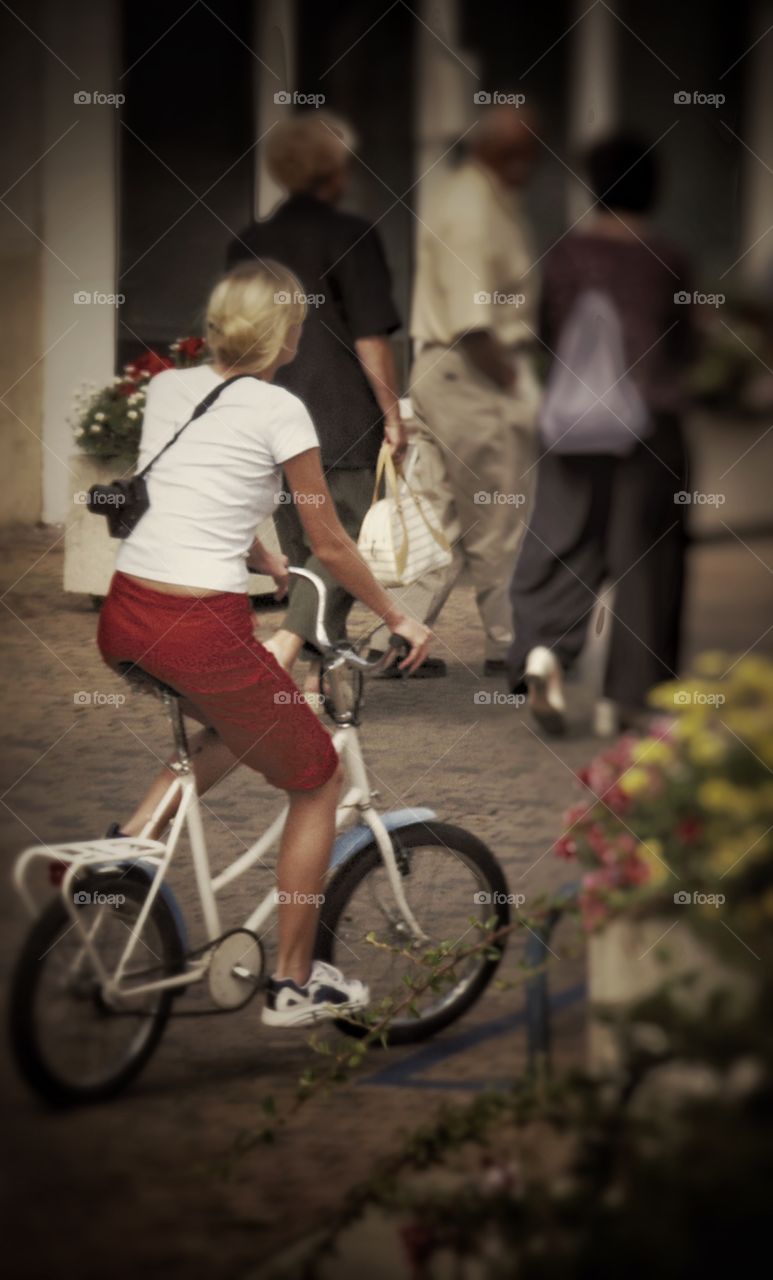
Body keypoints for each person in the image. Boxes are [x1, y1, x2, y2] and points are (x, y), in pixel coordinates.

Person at [97, 260, 430, 1027]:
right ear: (286, 335)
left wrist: (259, 558)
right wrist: (400, 616)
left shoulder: (169, 388)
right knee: (313, 777)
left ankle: (129, 845)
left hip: (127, 616)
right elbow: (332, 544)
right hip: (196, 629)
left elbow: (188, 484)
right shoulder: (282, 410)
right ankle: (292, 981)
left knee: (255, 709)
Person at [227, 111, 445, 679]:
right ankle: (289, 646)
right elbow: (370, 335)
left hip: (266, 406)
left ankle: (328, 655)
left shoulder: (248, 243)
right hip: (339, 411)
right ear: (333, 170)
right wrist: (393, 415)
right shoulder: (351, 235)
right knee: (341, 538)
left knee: (302, 544)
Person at [507, 134, 694, 735]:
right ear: (654, 187)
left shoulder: (562, 254)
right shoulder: (667, 257)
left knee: (562, 537)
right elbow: (685, 343)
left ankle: (544, 653)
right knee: (645, 558)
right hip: (649, 424)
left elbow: (544, 335)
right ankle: (626, 699)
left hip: (570, 423)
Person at [407, 104, 543, 675]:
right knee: (499, 515)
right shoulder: (474, 208)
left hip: (446, 370)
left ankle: (398, 636)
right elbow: (473, 321)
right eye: (528, 151)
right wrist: (516, 386)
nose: (534, 164)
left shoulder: (472, 197)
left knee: (436, 517)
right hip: (474, 370)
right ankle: (506, 646)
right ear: (501, 151)